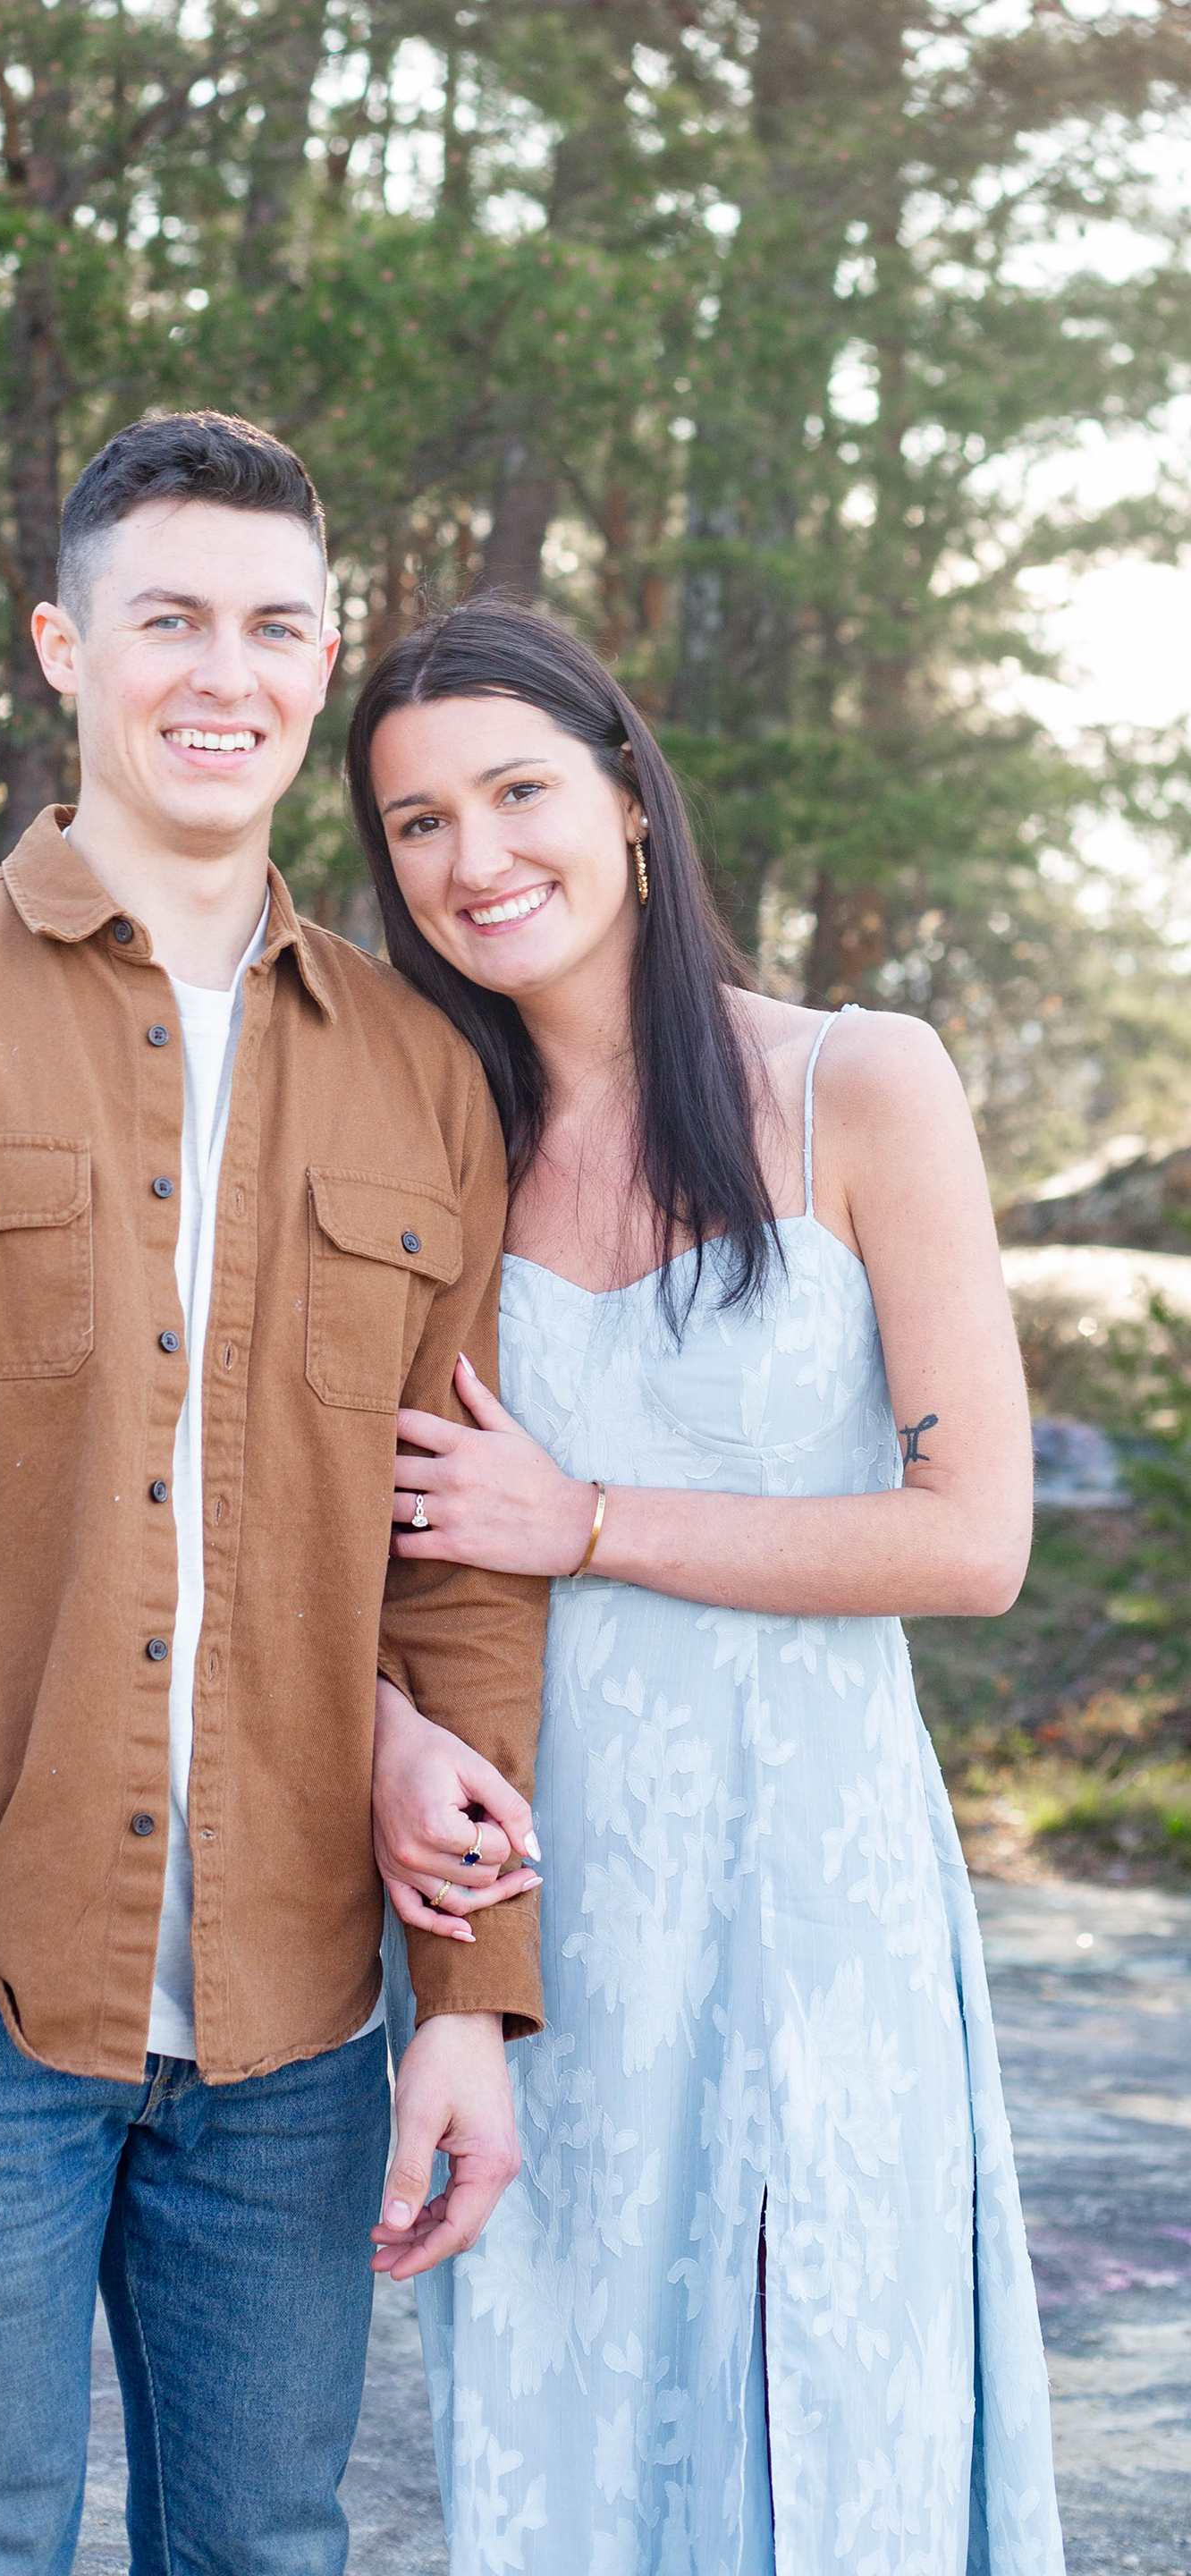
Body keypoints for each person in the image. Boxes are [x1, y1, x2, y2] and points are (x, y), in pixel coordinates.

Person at [0, 414, 549, 2576]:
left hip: (302, 2025)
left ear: (323, 665)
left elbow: (460, 1566)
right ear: (66, 645)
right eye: (167, 620)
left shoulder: (423, 1071)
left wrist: (471, 2004)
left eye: (270, 625)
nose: (218, 672)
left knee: (265, 2549)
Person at [349, 601, 1065, 2573]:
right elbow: (339, 1539)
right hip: (541, 1915)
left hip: (816, 1893)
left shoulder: (859, 1085)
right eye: (416, 825)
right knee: (565, 2434)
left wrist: (587, 1518)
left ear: (632, 801)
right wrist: (393, 1733)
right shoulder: (429, 1149)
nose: (475, 858)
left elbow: (970, 1537)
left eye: (516, 791)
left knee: (824, 2419)